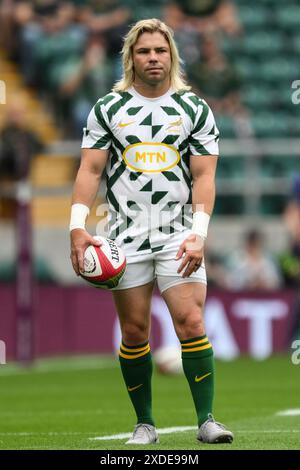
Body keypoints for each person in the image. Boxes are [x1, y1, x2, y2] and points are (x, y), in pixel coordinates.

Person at [69, 18, 233, 445]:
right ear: (131, 58)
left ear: (172, 55)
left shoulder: (194, 109)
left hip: (178, 231)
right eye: (144, 52)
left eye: (160, 50)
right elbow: (89, 169)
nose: (153, 58)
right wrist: (76, 226)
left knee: (191, 321)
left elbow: (204, 178)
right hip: (124, 234)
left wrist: (200, 232)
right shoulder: (109, 108)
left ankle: (207, 421)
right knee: (136, 332)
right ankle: (145, 424)